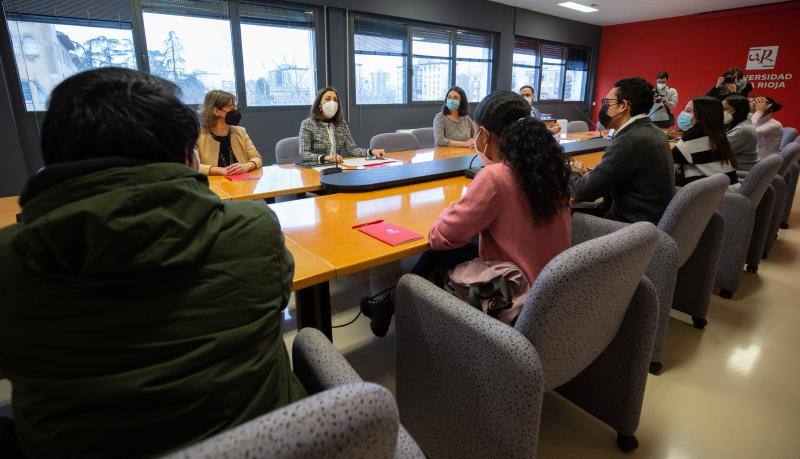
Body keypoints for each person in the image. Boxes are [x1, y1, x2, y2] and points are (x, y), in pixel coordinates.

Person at [0, 68, 306, 457]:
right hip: (271, 444)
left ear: (55, 160)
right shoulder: (256, 228)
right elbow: (279, 299)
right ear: (187, 155)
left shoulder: (9, 261)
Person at [361, 90, 572, 337]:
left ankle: (392, 302)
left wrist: (455, 207)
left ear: (483, 135)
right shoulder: (551, 169)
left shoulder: (496, 177)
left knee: (437, 252)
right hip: (549, 295)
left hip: (512, 297)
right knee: (451, 251)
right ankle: (388, 304)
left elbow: (440, 236)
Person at [571, 77, 674, 225]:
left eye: (607, 103)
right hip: (650, 224)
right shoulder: (654, 131)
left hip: (626, 229)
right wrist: (589, 174)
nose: (604, 108)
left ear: (623, 106)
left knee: (563, 213)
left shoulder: (630, 140)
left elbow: (581, 193)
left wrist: (574, 172)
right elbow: (617, 172)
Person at [300, 87, 385, 163]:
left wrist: (371, 152)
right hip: (315, 169)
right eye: (327, 99)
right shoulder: (308, 124)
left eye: (335, 100)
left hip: (337, 168)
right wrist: (325, 158)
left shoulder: (341, 124)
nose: (332, 103)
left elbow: (352, 149)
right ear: (319, 104)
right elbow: (304, 154)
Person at [672, 97, 738, 186]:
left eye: (688, 111)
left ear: (702, 116)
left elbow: (666, 168)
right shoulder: (717, 135)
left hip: (710, 196)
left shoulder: (693, 139)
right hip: (727, 192)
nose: (683, 114)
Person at [196, 90, 262, 176]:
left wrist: (246, 166)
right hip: (213, 185)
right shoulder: (197, 135)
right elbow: (191, 165)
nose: (236, 112)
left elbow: (257, 158)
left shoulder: (241, 132)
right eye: (232, 109)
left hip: (241, 184)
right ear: (216, 111)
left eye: (236, 108)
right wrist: (219, 170)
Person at [723, 95, 758, 171]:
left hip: (738, 174)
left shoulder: (742, 130)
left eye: (725, 109)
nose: (721, 112)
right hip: (730, 168)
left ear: (739, 111)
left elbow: (718, 153)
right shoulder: (736, 123)